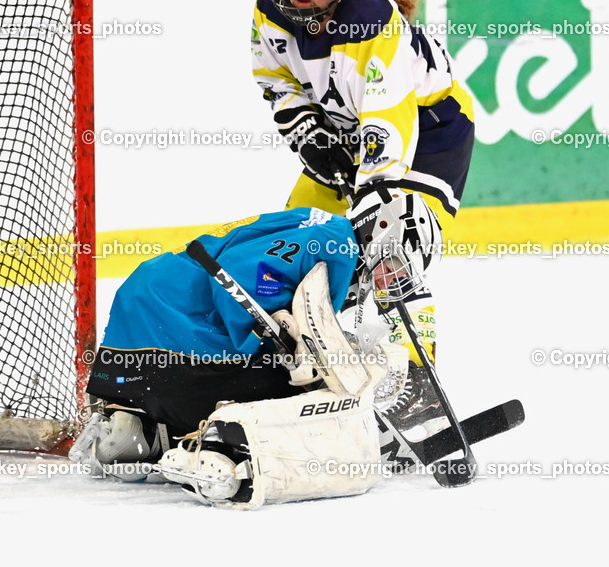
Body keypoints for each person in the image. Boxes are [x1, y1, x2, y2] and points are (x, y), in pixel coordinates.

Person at [251, 0, 475, 432]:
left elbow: (389, 116)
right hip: (344, 134)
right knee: (287, 255)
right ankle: (304, 380)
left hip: (428, 132)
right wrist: (309, 134)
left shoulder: (374, 20)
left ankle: (417, 387)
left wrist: (375, 195)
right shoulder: (268, 10)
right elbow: (275, 79)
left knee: (391, 247)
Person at [69, 207, 400, 508]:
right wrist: (280, 334)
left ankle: (137, 426)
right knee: (303, 389)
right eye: (395, 266)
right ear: (379, 233)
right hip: (173, 335)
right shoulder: (334, 242)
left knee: (296, 371)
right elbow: (243, 274)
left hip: (139, 347)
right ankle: (218, 444)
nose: (392, 280)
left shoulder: (326, 226)